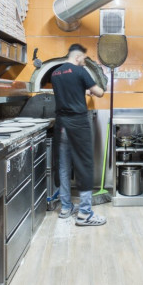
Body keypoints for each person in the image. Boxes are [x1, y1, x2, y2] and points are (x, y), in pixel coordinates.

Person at [50, 43, 107, 226]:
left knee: (64, 166)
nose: (84, 61)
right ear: (77, 56)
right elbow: (100, 92)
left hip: (61, 125)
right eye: (83, 58)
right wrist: (95, 89)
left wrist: (83, 90)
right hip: (78, 124)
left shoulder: (55, 73)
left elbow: (69, 91)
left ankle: (65, 208)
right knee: (84, 166)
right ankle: (85, 213)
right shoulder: (80, 71)